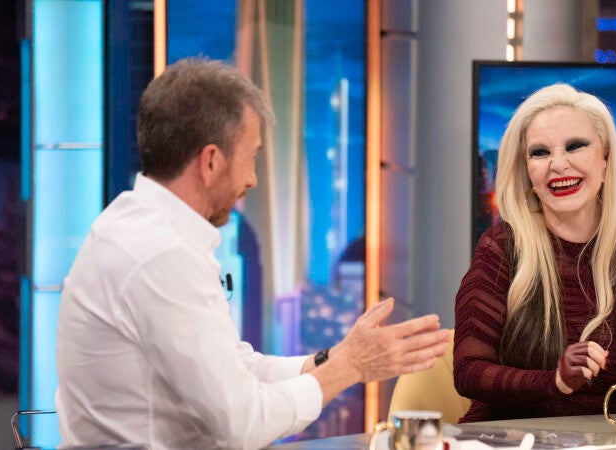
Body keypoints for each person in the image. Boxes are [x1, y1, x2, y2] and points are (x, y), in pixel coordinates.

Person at [55, 58, 451, 449]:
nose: (252, 179)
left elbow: (235, 368)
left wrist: (335, 357)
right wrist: (351, 367)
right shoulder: (161, 256)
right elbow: (243, 425)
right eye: (251, 157)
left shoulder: (140, 227)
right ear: (211, 161)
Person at [453, 83, 616, 422]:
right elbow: (468, 372)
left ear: (606, 158)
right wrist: (556, 381)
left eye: (575, 146)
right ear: (526, 170)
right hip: (515, 439)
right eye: (539, 153)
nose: (558, 164)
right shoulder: (502, 248)